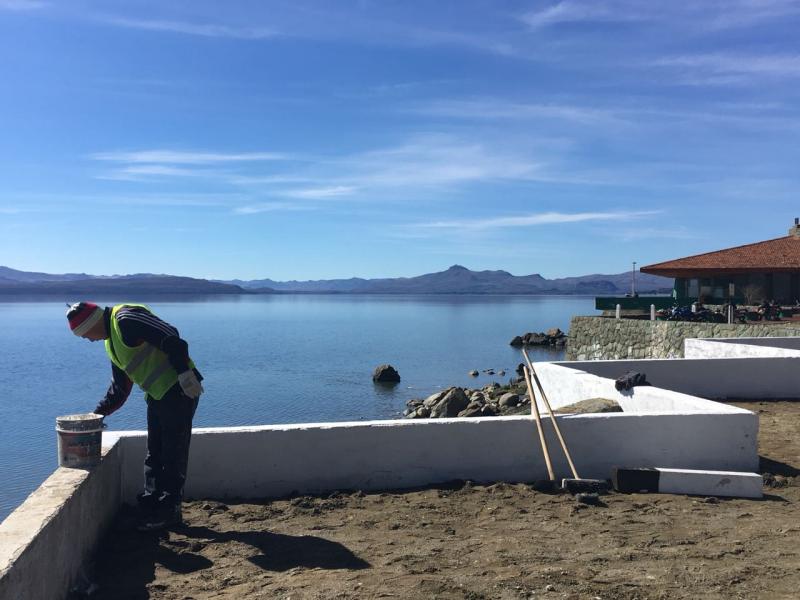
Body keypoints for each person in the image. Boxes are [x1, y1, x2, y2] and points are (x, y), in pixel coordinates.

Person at [66, 301, 203, 531]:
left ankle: (169, 510)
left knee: (173, 453)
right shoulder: (111, 343)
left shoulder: (125, 319)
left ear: (91, 324)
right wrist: (96, 415)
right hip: (157, 395)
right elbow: (120, 389)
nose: (87, 340)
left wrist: (184, 373)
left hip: (179, 390)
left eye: (84, 334)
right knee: (155, 454)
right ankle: (151, 506)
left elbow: (171, 336)